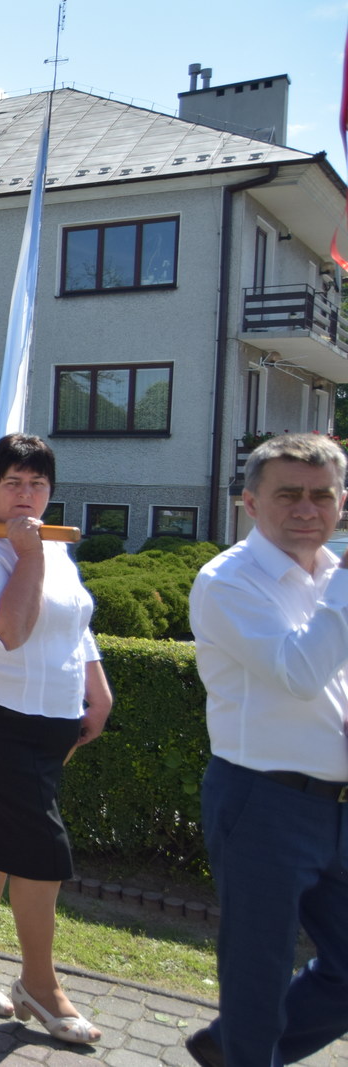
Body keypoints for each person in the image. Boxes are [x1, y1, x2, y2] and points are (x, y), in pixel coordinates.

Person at [0, 433, 111, 1045]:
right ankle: (40, 982)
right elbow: (8, 629)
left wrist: (97, 687)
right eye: (13, 484)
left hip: (49, 717)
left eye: (37, 484)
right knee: (39, 848)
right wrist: (26, 556)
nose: (26, 496)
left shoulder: (53, 547)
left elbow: (75, 622)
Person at [186, 432, 348, 1067]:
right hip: (263, 801)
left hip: (335, 806)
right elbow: (300, 672)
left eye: (322, 495)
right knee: (258, 977)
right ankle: (244, 1049)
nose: (307, 509)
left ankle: (232, 1051)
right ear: (250, 503)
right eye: (289, 495)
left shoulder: (332, 579)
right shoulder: (228, 581)